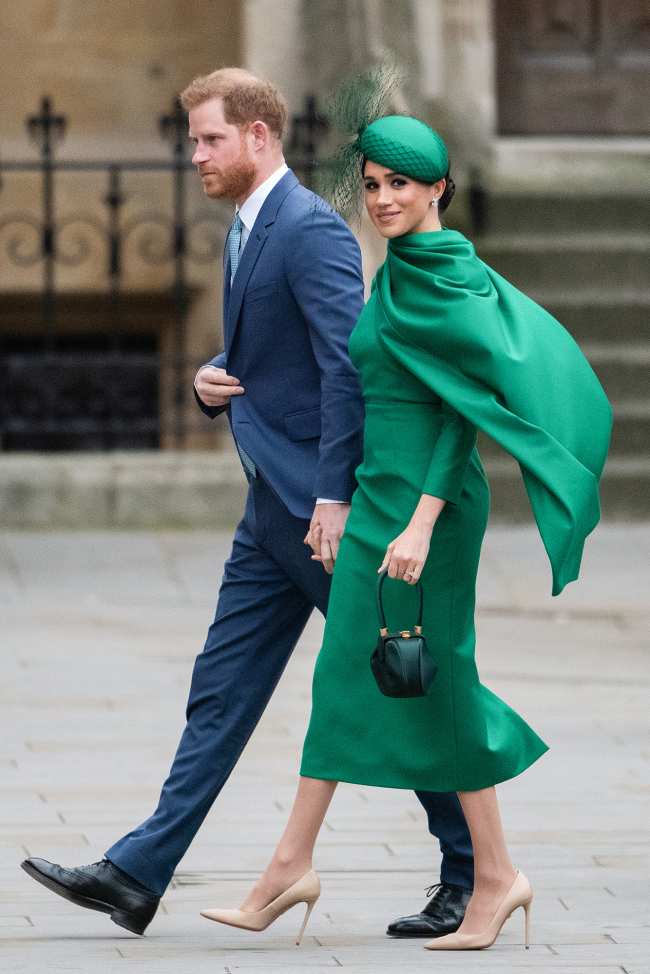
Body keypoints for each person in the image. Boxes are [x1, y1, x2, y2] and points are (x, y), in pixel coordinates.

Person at [20, 71, 477, 940]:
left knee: (397, 685)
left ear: (259, 137)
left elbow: (347, 371)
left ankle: (470, 871)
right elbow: (275, 356)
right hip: (270, 508)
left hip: (318, 515)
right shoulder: (248, 227)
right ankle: (137, 873)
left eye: (208, 139)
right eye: (194, 140)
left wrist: (335, 497)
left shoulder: (308, 231)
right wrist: (209, 380)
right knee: (221, 690)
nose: (195, 155)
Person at [199, 113, 612, 951]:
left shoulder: (446, 274)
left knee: (438, 676)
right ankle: (306, 866)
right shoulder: (396, 271)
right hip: (379, 494)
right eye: (375, 184)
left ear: (438, 191)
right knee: (356, 674)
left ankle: (479, 876)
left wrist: (421, 524)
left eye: (401, 185)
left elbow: (465, 416)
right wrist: (337, 496)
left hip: (431, 506)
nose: (384, 198)